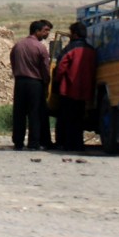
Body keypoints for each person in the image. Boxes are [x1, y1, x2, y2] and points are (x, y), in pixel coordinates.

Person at [52, 21, 97, 151]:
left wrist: (57, 81)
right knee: (78, 119)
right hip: (85, 91)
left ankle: (64, 143)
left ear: (75, 34)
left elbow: (61, 68)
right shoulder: (91, 51)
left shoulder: (70, 49)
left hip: (68, 90)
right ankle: (77, 144)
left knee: (65, 118)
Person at [10, 19, 53, 150]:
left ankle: (18, 142)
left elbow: (13, 62)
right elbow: (45, 68)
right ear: (37, 31)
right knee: (35, 113)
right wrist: (46, 82)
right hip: (35, 83)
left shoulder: (18, 45)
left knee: (19, 113)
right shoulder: (40, 48)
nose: (47, 34)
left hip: (20, 82)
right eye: (45, 31)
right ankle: (34, 143)